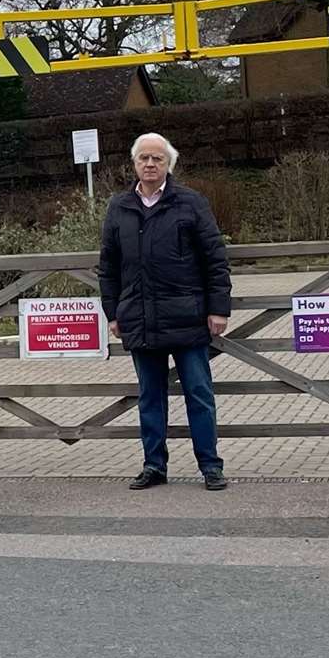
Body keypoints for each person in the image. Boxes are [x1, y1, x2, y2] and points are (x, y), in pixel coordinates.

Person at [98, 132, 232, 491]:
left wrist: (219, 309)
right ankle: (154, 465)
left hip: (188, 317)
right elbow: (108, 267)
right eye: (144, 158)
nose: (150, 164)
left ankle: (210, 465)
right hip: (139, 319)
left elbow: (215, 259)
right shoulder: (119, 207)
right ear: (134, 164)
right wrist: (113, 313)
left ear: (169, 164)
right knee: (150, 398)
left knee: (199, 394)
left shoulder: (190, 203)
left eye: (157, 158)